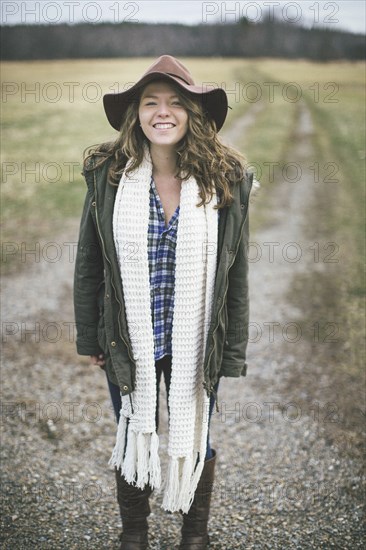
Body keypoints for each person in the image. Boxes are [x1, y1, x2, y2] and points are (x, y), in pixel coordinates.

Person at [73, 55, 254, 550]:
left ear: (194, 114)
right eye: (150, 102)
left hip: (196, 338)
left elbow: (235, 276)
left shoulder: (226, 178)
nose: (163, 112)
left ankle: (194, 535)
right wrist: (89, 334)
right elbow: (89, 261)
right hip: (129, 333)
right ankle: (135, 533)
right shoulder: (109, 176)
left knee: (195, 433)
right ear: (136, 114)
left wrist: (232, 351)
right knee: (134, 430)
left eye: (176, 102)